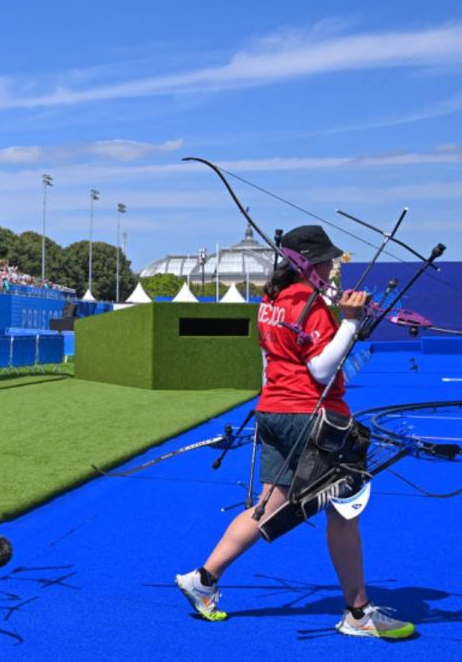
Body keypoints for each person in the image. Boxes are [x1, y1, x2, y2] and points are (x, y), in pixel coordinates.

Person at [174, 225, 414, 639]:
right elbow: (321, 370)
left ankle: (204, 579)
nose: (333, 265)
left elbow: (275, 358)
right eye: (327, 259)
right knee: (344, 510)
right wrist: (351, 323)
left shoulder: (271, 299)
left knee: (268, 505)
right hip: (313, 417)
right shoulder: (311, 304)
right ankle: (358, 614)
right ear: (312, 262)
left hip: (274, 411)